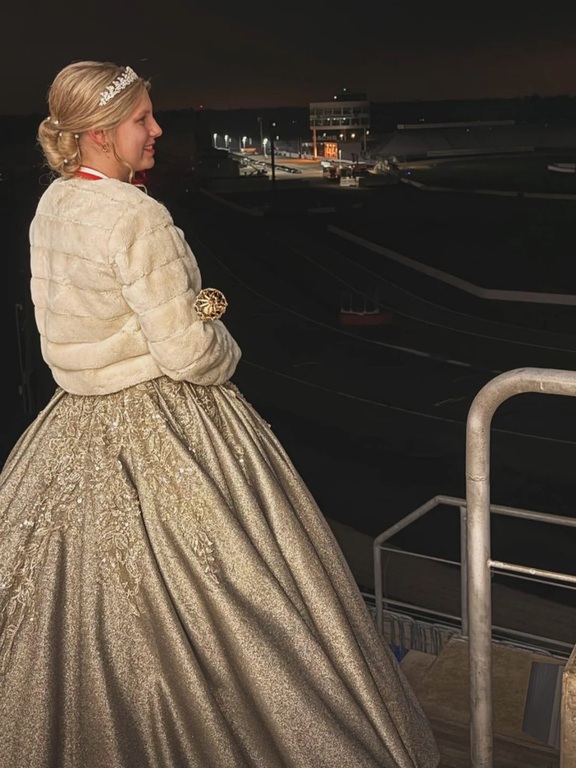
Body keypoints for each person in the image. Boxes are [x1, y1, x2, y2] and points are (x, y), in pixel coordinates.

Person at [0, 60, 440, 768]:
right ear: (101, 134)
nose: (157, 130)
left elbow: (70, 325)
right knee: (238, 599)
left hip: (73, 416)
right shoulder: (137, 214)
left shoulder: (54, 203)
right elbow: (185, 352)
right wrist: (216, 330)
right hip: (165, 415)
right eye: (142, 119)